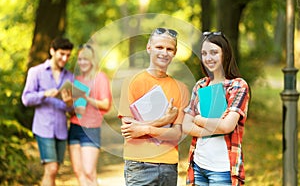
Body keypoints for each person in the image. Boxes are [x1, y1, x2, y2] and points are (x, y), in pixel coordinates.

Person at [118, 27, 190, 186]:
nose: (164, 52)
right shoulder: (132, 82)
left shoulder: (181, 88)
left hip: (169, 164)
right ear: (149, 47)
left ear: (175, 52)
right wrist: (163, 120)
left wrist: (145, 129)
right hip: (139, 164)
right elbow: (129, 129)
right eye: (159, 47)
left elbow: (176, 134)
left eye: (169, 49)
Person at [182, 31, 250, 186]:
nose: (208, 58)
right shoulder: (201, 85)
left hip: (222, 168)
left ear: (225, 54)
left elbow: (227, 126)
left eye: (214, 52)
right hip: (198, 165)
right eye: (204, 53)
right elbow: (186, 125)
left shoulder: (237, 86)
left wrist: (199, 120)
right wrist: (213, 127)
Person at [22, 37, 74, 186]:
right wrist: (43, 94)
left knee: (54, 169)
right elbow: (26, 99)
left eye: (68, 55)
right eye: (62, 54)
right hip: (43, 128)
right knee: (51, 168)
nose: (65, 58)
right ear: (52, 51)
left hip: (61, 130)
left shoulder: (70, 77)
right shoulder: (36, 72)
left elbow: (72, 109)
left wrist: (70, 104)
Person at [68, 44, 112, 186]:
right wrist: (69, 103)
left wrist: (88, 99)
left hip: (91, 129)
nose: (82, 63)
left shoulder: (100, 78)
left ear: (92, 60)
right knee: (79, 172)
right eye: (80, 59)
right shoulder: (77, 80)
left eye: (85, 59)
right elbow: (72, 108)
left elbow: (106, 104)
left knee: (89, 172)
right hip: (74, 127)